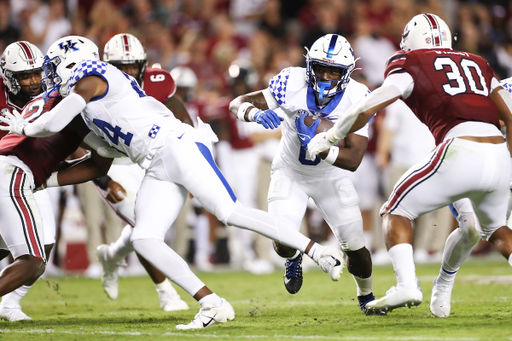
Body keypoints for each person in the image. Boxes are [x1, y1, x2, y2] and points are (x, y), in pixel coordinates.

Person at [0, 35, 346, 330]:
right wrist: (46, 179)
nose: (46, 77)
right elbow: (99, 161)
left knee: (229, 211)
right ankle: (211, 303)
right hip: (155, 162)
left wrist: (25, 128)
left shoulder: (94, 75)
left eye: (50, 68)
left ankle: (317, 251)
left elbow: (54, 119)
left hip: (176, 145)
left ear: (66, 63)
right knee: (145, 238)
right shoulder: (90, 108)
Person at [304, 13, 512, 314]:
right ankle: (441, 288)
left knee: (394, 211)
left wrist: (331, 136)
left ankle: (406, 286)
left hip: (461, 148)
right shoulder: (478, 62)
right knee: (497, 232)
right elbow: (508, 115)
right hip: (497, 153)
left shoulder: (410, 62)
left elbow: (370, 104)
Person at [229, 34, 382, 315]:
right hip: (290, 171)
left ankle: (366, 296)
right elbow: (237, 103)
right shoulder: (290, 81)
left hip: (331, 176)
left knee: (355, 245)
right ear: (309, 65)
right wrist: (253, 114)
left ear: (347, 73)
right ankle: (295, 255)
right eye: (320, 67)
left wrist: (320, 146)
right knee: (283, 243)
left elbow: (353, 160)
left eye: (333, 70)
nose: (325, 75)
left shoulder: (359, 96)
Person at [0, 82, 118, 321]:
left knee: (26, 246)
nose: (32, 80)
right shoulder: (70, 105)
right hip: (13, 174)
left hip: (17, 172)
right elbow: (101, 158)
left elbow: (94, 165)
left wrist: (46, 180)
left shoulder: (48, 98)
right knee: (32, 262)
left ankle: (10, 304)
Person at [94, 33, 189, 311]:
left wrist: (191, 164)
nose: (127, 73)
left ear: (143, 65)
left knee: (147, 226)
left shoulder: (158, 82)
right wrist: (103, 178)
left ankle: (111, 255)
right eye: (120, 68)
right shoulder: (92, 88)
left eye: (132, 66)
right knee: (145, 227)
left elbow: (183, 120)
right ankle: (166, 292)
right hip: (114, 166)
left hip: (149, 161)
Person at [0, 41, 56, 321]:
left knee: (44, 245)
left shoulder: (52, 93)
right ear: (9, 77)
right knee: (27, 255)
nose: (34, 81)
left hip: (29, 176)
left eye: (37, 73)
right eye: (25, 76)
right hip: (6, 174)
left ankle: (8, 304)